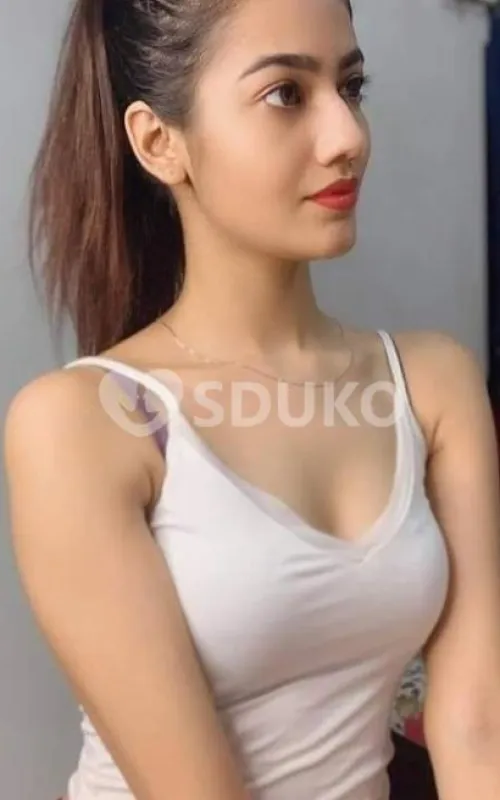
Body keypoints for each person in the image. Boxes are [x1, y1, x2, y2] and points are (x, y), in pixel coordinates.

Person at [3, 0, 500, 798]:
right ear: (158, 142)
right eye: (285, 94)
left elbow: (478, 729)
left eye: (351, 86)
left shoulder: (434, 385)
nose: (347, 136)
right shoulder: (82, 425)